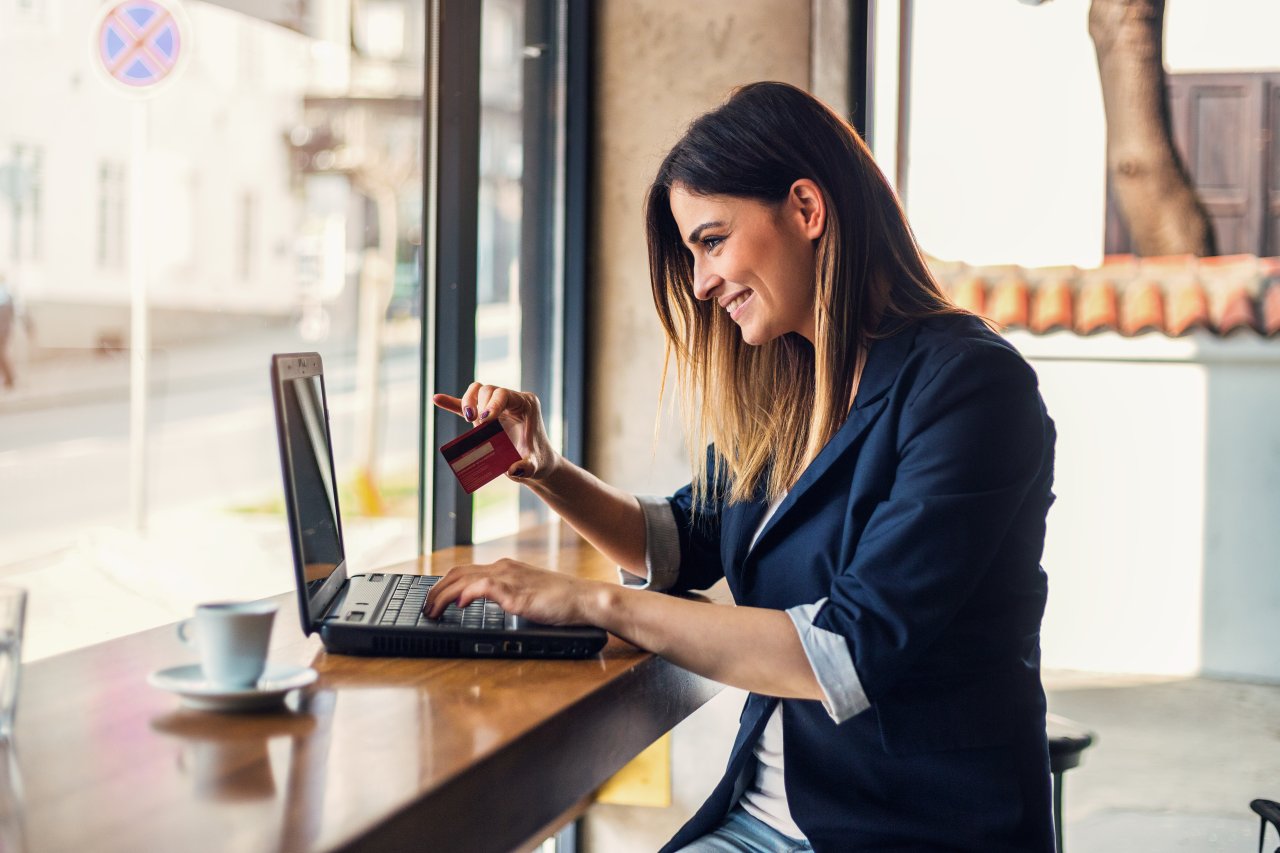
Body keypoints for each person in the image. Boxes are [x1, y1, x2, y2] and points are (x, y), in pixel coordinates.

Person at [425, 81, 1057, 852]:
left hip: (906, 830)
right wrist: (549, 468)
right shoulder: (800, 382)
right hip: (765, 815)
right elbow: (683, 539)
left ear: (806, 208)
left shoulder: (971, 388)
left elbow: (847, 651)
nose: (699, 283)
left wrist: (593, 603)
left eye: (712, 240)